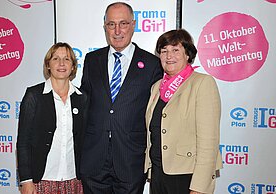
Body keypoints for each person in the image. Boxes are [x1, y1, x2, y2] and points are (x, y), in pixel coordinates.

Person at [79, 2, 162, 194]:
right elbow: (84, 105)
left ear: (133, 24)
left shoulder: (151, 64)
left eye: (123, 23)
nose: (117, 31)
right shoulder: (92, 60)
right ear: (105, 27)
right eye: (111, 24)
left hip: (130, 159)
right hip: (94, 159)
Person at [144, 29, 223, 194]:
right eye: (164, 51)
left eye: (175, 50)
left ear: (188, 54)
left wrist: (199, 187)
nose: (168, 56)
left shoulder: (202, 83)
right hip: (159, 174)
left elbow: (208, 142)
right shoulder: (156, 87)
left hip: (187, 176)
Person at [16, 42, 88, 194]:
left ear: (73, 66)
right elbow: (23, 142)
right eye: (56, 58)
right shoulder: (34, 96)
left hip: (74, 180)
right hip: (41, 180)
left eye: (67, 59)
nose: (61, 63)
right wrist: (26, 181)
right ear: (48, 65)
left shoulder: (83, 98)